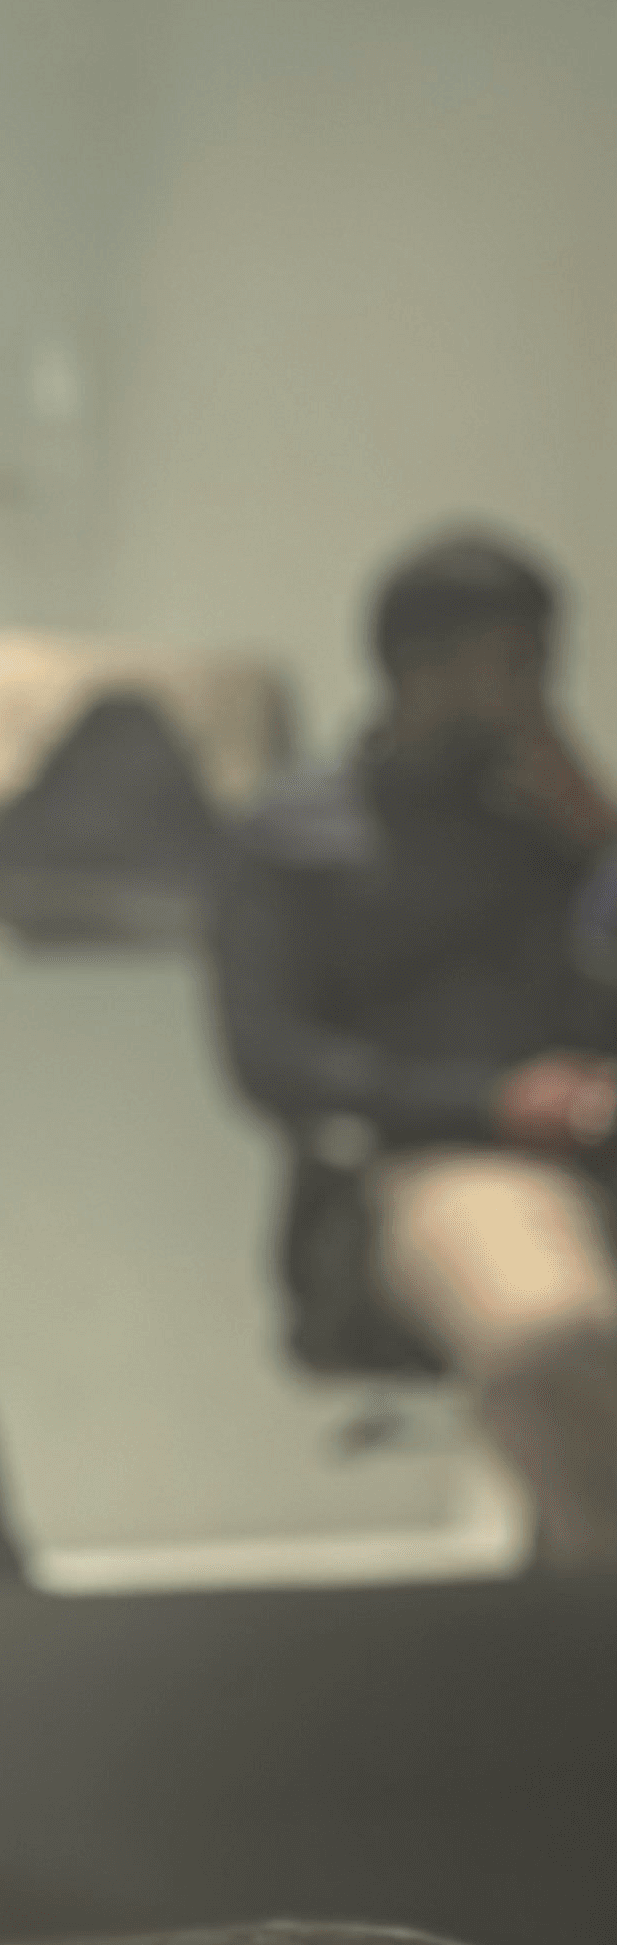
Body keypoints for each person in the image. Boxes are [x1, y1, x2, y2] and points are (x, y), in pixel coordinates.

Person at [214, 532, 617, 1564]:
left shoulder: (548, 830)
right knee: (557, 1337)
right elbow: (270, 1059)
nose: (539, 698)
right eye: (516, 667)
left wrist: (600, 845)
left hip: (586, 1149)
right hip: (418, 1169)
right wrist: (490, 1103)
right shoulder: (296, 838)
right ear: (421, 668)